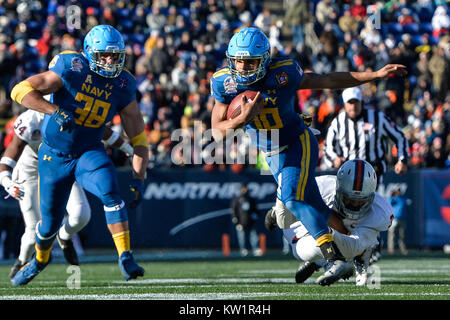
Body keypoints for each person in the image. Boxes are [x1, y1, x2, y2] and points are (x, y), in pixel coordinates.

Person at [210, 27, 406, 285]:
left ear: (265, 60)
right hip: (270, 152)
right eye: (239, 61)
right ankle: (358, 250)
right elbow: (216, 131)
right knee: (312, 212)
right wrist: (242, 120)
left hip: (296, 141)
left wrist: (374, 75)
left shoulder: (283, 72)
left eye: (251, 62)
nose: (244, 67)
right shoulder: (223, 82)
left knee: (292, 199)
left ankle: (329, 252)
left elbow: (328, 79)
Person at [9, 25, 149, 286]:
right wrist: (54, 110)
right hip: (54, 155)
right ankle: (40, 260)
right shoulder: (70, 66)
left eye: (115, 55)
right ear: (88, 54)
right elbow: (20, 90)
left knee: (110, 191)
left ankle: (126, 256)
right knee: (48, 225)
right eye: (103, 56)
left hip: (89, 151)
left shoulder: (123, 84)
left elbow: (139, 140)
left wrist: (139, 177)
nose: (109, 61)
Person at [0, 108, 133, 280]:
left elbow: (101, 130)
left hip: (59, 165)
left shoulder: (73, 110)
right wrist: (7, 182)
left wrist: (127, 147)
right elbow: (8, 158)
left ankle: (64, 237)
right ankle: (21, 262)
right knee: (34, 231)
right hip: (30, 169)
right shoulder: (30, 121)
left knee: (81, 215)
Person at [265, 159, 394, 286]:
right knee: (300, 250)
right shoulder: (322, 187)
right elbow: (291, 196)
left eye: (361, 201)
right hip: (317, 222)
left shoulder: (380, 210)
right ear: (338, 190)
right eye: (349, 199)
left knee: (354, 248)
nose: (354, 205)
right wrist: (279, 212)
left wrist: (327, 233)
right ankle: (324, 260)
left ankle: (356, 256)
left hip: (351, 237)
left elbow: (353, 245)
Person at [323, 86, 410, 184]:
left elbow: (400, 137)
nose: (353, 106)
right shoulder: (338, 122)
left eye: (356, 102)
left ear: (361, 102)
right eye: (350, 103)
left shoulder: (377, 118)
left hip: (374, 176)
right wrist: (335, 159)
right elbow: (327, 147)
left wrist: (402, 160)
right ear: (344, 104)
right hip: (348, 177)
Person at [231, 183, 262, 257]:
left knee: (254, 236)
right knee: (242, 237)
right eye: (243, 188)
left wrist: (255, 215)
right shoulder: (237, 199)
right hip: (241, 221)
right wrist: (237, 221)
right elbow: (234, 211)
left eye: (246, 188)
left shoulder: (251, 199)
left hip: (250, 221)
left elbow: (255, 210)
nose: (245, 190)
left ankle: (255, 249)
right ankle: (243, 249)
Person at [387, 187, 408, 255]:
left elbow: (406, 203)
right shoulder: (393, 199)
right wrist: (391, 195)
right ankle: (391, 248)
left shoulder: (403, 198)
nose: (398, 192)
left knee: (402, 235)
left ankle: (402, 248)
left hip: (402, 219)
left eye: (399, 191)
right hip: (394, 219)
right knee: (392, 234)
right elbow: (389, 202)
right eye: (397, 191)